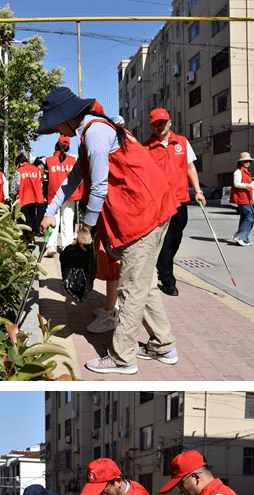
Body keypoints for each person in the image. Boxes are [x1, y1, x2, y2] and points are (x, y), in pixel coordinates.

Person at [37, 87, 179, 375]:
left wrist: (86, 228)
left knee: (131, 289)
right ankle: (164, 345)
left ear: (66, 117)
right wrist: (50, 211)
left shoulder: (97, 133)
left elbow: (99, 186)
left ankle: (122, 358)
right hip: (145, 212)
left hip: (143, 215)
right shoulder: (90, 132)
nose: (55, 132)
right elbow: (74, 178)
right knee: (144, 284)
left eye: (55, 124)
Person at [144, 108, 205, 296]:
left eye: (162, 122)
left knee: (176, 238)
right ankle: (168, 280)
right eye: (155, 123)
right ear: (151, 126)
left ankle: (162, 267)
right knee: (167, 241)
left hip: (180, 199)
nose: (159, 126)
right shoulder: (146, 148)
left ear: (170, 122)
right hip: (160, 203)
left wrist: (198, 191)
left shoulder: (183, 143)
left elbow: (190, 167)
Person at [45, 135, 82, 259]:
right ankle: (66, 246)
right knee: (67, 221)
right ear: (68, 147)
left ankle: (51, 246)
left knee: (53, 222)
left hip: (53, 195)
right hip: (70, 195)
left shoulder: (48, 160)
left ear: (57, 145)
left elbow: (45, 180)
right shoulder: (73, 160)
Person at [12, 154, 45, 243]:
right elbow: (41, 183)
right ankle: (32, 235)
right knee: (32, 217)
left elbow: (15, 188)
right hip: (35, 198)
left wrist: (13, 195)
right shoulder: (37, 170)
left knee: (24, 219)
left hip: (23, 198)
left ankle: (26, 237)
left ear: (19, 162)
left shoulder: (19, 171)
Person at [230, 152, 254, 246]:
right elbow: (237, 184)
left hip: (247, 197)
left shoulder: (246, 172)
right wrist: (249, 185)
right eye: (245, 161)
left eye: (249, 161)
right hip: (241, 197)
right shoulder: (238, 171)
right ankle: (239, 236)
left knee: (249, 218)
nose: (248, 163)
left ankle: (244, 238)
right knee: (250, 217)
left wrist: (251, 185)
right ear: (241, 162)